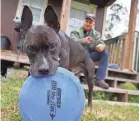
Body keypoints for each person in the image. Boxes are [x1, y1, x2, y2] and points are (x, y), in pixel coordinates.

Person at [70, 14, 109, 89]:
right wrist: (82, 41)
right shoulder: (75, 31)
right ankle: (78, 74)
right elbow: (71, 42)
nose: (88, 24)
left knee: (105, 53)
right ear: (83, 22)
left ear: (93, 24)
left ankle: (99, 80)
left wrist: (101, 46)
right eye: (86, 21)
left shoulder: (96, 34)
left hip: (89, 56)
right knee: (83, 46)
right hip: (77, 57)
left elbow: (100, 42)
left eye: (90, 22)